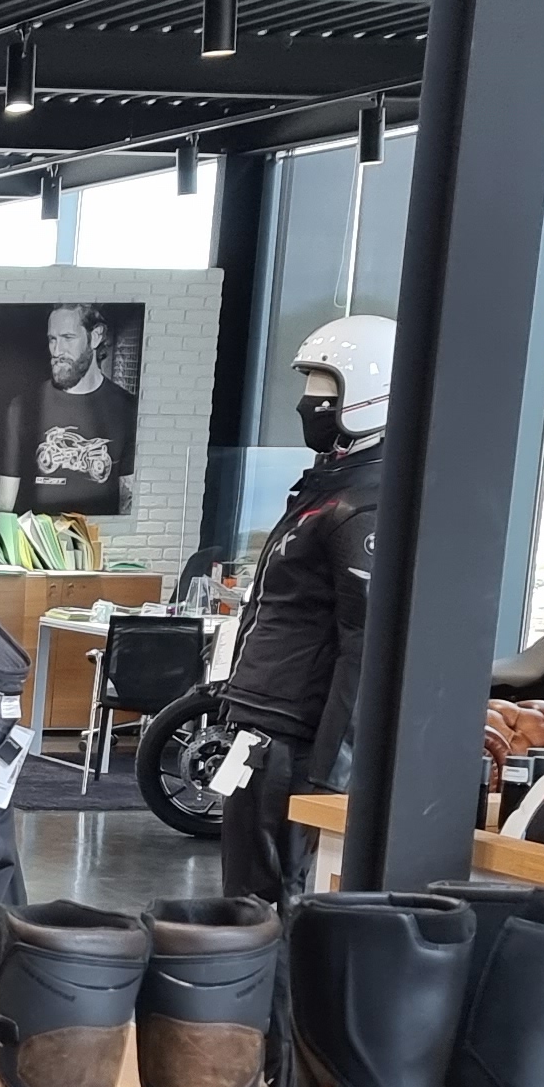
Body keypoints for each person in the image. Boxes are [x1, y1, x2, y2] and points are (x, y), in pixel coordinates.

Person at [212, 315, 389, 904]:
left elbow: (365, 647)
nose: (307, 401)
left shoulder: (361, 507)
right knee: (246, 897)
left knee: (271, 901)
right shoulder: (327, 491)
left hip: (294, 742)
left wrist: (329, 778)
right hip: (265, 726)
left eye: (323, 385)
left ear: (366, 393)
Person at [0, 305, 138, 514]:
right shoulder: (21, 408)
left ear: (95, 337)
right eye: (52, 339)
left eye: (68, 338)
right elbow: (2, 505)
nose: (57, 351)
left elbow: (127, 502)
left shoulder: (128, 410)